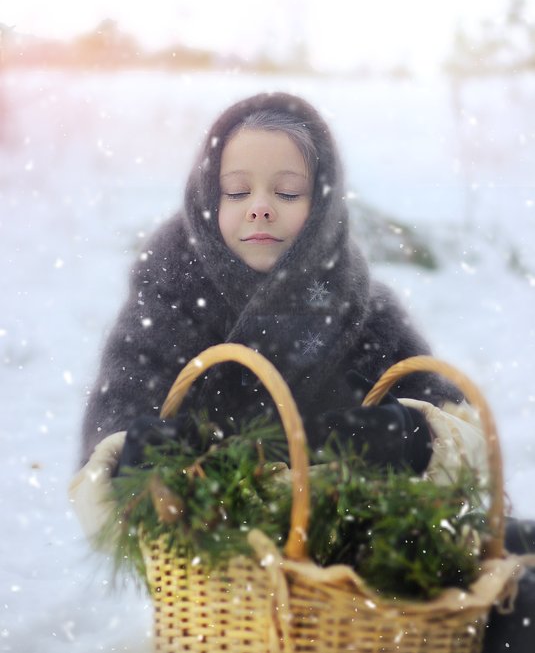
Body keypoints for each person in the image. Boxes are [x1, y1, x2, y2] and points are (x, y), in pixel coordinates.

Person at [69, 91, 535, 651]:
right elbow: (112, 431)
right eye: (237, 191)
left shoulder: (359, 305)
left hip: (368, 562)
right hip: (234, 579)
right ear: (206, 198)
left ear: (323, 204)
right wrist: (141, 455)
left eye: (287, 192)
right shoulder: (170, 301)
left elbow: (457, 431)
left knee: (517, 570)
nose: (260, 207)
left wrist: (411, 437)